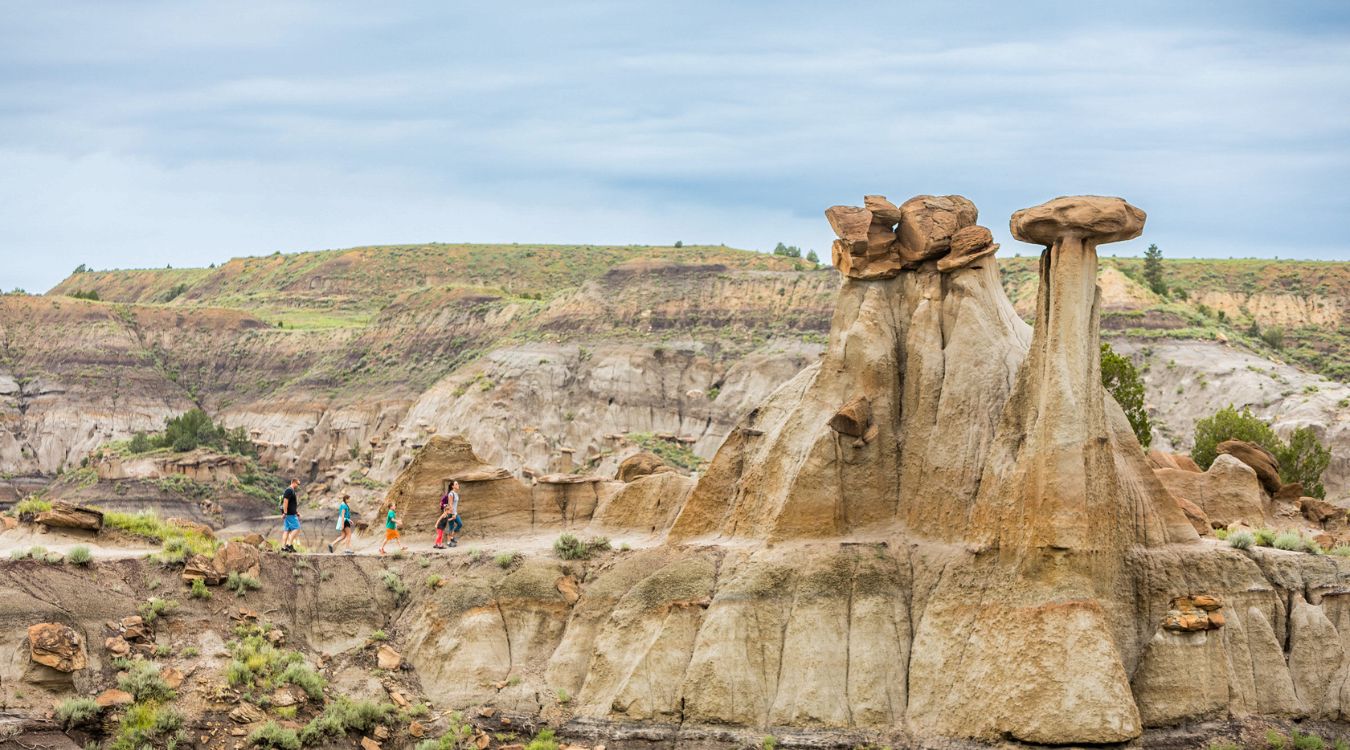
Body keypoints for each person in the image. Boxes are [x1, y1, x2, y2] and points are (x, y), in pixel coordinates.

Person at [280, 479, 301, 552]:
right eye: (298, 484)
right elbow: (285, 502)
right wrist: (285, 513)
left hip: (290, 514)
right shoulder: (289, 490)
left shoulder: (291, 491)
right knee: (297, 528)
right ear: (294, 482)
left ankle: (283, 548)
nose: (298, 486)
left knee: (287, 530)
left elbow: (291, 504)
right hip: (289, 514)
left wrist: (296, 512)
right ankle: (289, 545)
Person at [443, 480, 463, 547]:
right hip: (451, 513)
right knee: (451, 527)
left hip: (455, 513)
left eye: (458, 484)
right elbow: (450, 504)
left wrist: (455, 513)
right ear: (452, 486)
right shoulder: (451, 494)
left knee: (460, 524)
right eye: (456, 484)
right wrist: (453, 514)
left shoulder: (455, 493)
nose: (458, 485)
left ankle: (451, 536)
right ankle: (448, 542)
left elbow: (455, 504)